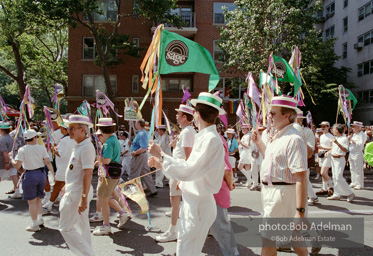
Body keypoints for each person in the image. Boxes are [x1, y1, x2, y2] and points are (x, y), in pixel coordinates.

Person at [148, 92, 225, 256]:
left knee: (186, 250)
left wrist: (162, 155)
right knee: (187, 249)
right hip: (195, 202)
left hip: (198, 203)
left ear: (197, 114)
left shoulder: (210, 138)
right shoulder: (204, 136)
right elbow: (189, 167)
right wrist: (163, 163)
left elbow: (189, 169)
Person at [251, 96, 309, 256]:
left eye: (272, 113)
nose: (269, 117)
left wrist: (300, 211)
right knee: (294, 236)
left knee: (268, 239)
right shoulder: (277, 136)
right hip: (271, 192)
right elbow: (270, 159)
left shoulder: (294, 139)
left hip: (282, 194)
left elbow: (301, 177)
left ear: (286, 115)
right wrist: (259, 143)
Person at [155, 104, 196, 243]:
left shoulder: (187, 132)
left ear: (185, 117)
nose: (176, 116)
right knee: (177, 201)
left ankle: (173, 231)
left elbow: (189, 156)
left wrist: (182, 177)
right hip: (177, 170)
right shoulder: (186, 131)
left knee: (175, 200)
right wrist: (174, 145)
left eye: (179, 114)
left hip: (179, 171)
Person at [58, 115, 95, 255]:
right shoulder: (80, 145)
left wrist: (83, 197)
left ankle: (87, 254)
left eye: (73, 128)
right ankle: (86, 252)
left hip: (77, 191)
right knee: (82, 225)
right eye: (69, 128)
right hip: (75, 189)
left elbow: (88, 173)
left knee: (65, 227)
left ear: (83, 130)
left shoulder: (86, 147)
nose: (70, 131)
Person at [9, 129, 54, 232]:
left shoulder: (22, 150)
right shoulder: (41, 148)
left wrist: (11, 158)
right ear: (34, 138)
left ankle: (34, 223)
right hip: (41, 174)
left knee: (32, 201)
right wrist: (53, 174)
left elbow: (17, 165)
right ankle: (40, 219)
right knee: (38, 198)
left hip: (30, 175)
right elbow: (47, 162)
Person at [93, 118, 129, 236]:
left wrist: (98, 160)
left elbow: (107, 160)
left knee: (103, 198)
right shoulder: (114, 140)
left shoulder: (108, 142)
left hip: (108, 175)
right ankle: (122, 212)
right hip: (113, 174)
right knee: (105, 197)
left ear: (101, 129)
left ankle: (106, 225)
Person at [209, 130, 239, 256]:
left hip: (217, 191)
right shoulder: (219, 138)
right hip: (215, 189)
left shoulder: (215, 139)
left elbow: (226, 169)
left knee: (221, 226)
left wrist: (230, 182)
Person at [42, 120, 76, 212]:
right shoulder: (73, 139)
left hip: (63, 166)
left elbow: (61, 154)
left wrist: (54, 149)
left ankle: (49, 204)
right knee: (65, 185)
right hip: (69, 165)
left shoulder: (65, 140)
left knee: (58, 185)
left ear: (63, 129)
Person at [327, 124, 355, 202]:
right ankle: (336, 194)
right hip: (334, 159)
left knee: (339, 177)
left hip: (340, 159)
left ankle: (350, 193)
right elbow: (334, 148)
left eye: (333, 129)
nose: (332, 130)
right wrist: (329, 152)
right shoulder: (336, 138)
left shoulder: (344, 139)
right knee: (335, 177)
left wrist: (337, 143)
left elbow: (345, 150)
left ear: (337, 130)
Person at [130, 119, 157, 197]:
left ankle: (132, 193)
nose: (135, 124)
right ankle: (153, 190)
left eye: (136, 123)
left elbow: (144, 148)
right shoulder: (141, 133)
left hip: (139, 156)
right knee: (145, 173)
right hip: (141, 156)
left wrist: (135, 152)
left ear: (138, 124)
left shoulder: (141, 134)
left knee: (133, 174)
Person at [0, 122, 22, 198]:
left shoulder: (2, 140)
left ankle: (17, 191)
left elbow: (4, 152)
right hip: (12, 159)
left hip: (3, 162)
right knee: (14, 176)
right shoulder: (11, 138)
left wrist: (6, 163)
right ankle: (17, 191)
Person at [315, 121, 334, 197]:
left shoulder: (331, 136)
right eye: (321, 126)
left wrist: (324, 148)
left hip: (327, 155)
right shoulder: (322, 136)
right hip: (321, 155)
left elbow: (333, 147)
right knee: (323, 174)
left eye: (324, 126)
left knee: (323, 173)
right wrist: (318, 157)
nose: (322, 128)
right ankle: (324, 188)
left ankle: (331, 187)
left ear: (328, 127)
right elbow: (319, 147)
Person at [348, 121, 367, 190]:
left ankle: (359, 184)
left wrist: (352, 140)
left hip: (357, 153)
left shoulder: (362, 135)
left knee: (358, 169)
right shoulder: (354, 134)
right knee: (352, 168)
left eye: (354, 127)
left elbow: (360, 144)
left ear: (358, 127)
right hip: (352, 152)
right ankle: (354, 182)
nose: (352, 128)